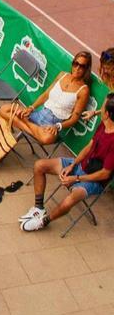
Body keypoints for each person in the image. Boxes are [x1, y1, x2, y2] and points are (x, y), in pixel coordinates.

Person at [20, 92, 114, 231]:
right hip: (80, 166)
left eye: (102, 107)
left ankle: (44, 221)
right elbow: (89, 146)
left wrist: (76, 178)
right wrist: (73, 165)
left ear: (107, 114)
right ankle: (39, 208)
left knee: (71, 199)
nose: (99, 109)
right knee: (39, 165)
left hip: (94, 180)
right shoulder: (104, 124)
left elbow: (105, 174)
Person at [0, 50, 91, 148]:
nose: (77, 68)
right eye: (76, 63)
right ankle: (31, 127)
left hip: (51, 124)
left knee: (47, 138)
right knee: (4, 109)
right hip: (39, 114)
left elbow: (74, 118)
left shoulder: (83, 90)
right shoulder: (62, 75)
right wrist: (31, 108)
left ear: (86, 69)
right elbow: (46, 95)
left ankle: (24, 121)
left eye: (82, 66)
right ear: (73, 63)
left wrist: (57, 126)